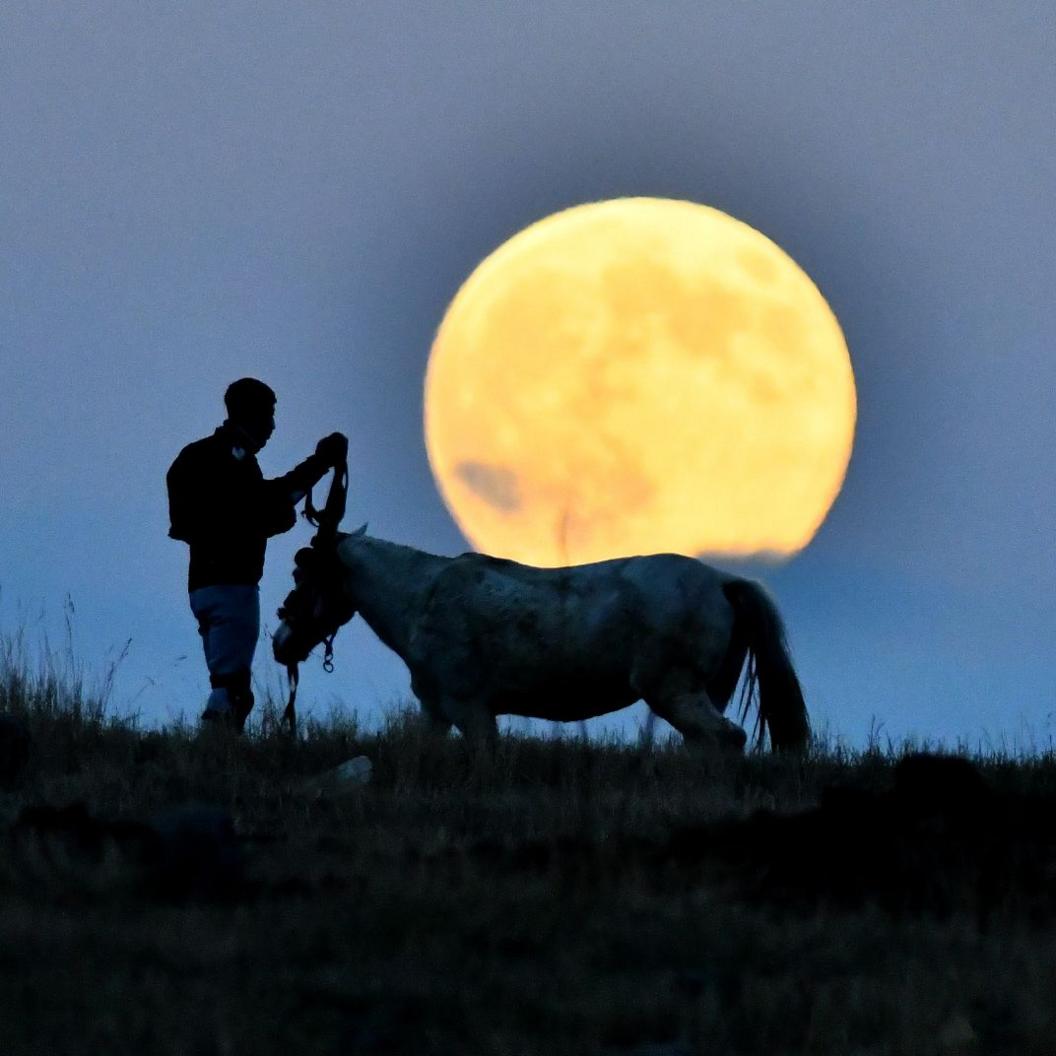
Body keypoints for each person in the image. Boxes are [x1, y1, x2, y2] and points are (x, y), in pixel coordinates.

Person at [167, 377, 346, 731]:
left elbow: (250, 508)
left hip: (201, 587)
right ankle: (213, 761)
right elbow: (265, 506)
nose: (273, 426)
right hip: (233, 587)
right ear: (253, 415)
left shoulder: (195, 457)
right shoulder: (234, 462)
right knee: (231, 690)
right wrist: (321, 464)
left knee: (227, 682)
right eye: (269, 415)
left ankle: (214, 762)